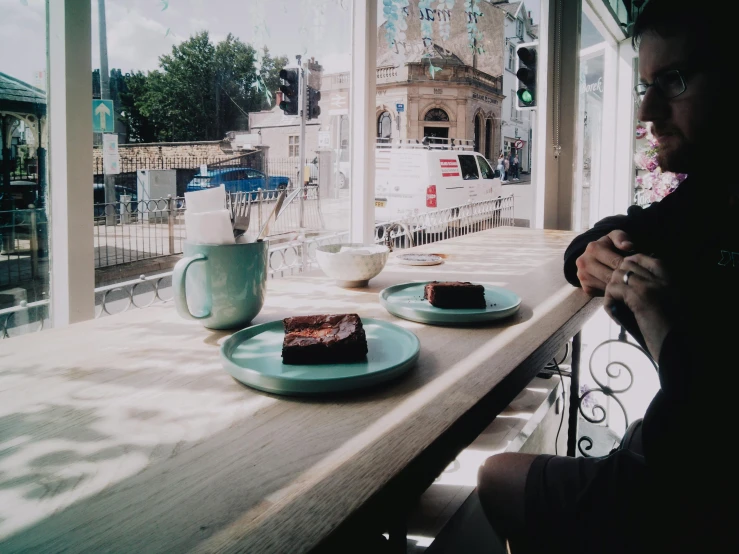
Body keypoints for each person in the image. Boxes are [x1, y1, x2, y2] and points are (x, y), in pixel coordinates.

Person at [477, 1, 738, 552]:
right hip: (674, 448)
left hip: (700, 492)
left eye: (673, 80)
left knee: (494, 476)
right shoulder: (713, 191)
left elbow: (712, 427)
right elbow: (625, 227)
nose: (646, 110)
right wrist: (588, 253)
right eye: (646, 84)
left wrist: (666, 324)